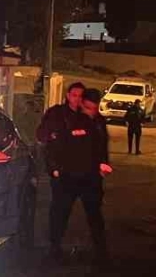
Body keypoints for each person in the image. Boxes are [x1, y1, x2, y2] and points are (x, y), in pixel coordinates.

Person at [45, 86, 112, 263]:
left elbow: (102, 146)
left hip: (91, 177)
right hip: (68, 176)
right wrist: (55, 169)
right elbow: (54, 146)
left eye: (95, 108)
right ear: (82, 104)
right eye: (88, 108)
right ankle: (54, 249)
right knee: (60, 213)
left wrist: (103, 165)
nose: (91, 112)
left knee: (95, 215)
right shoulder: (69, 120)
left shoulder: (99, 122)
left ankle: (101, 252)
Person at [36, 80, 86, 147]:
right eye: (74, 95)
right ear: (68, 95)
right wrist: (54, 136)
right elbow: (42, 133)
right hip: (57, 149)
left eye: (80, 96)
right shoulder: (56, 112)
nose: (77, 98)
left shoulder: (85, 116)